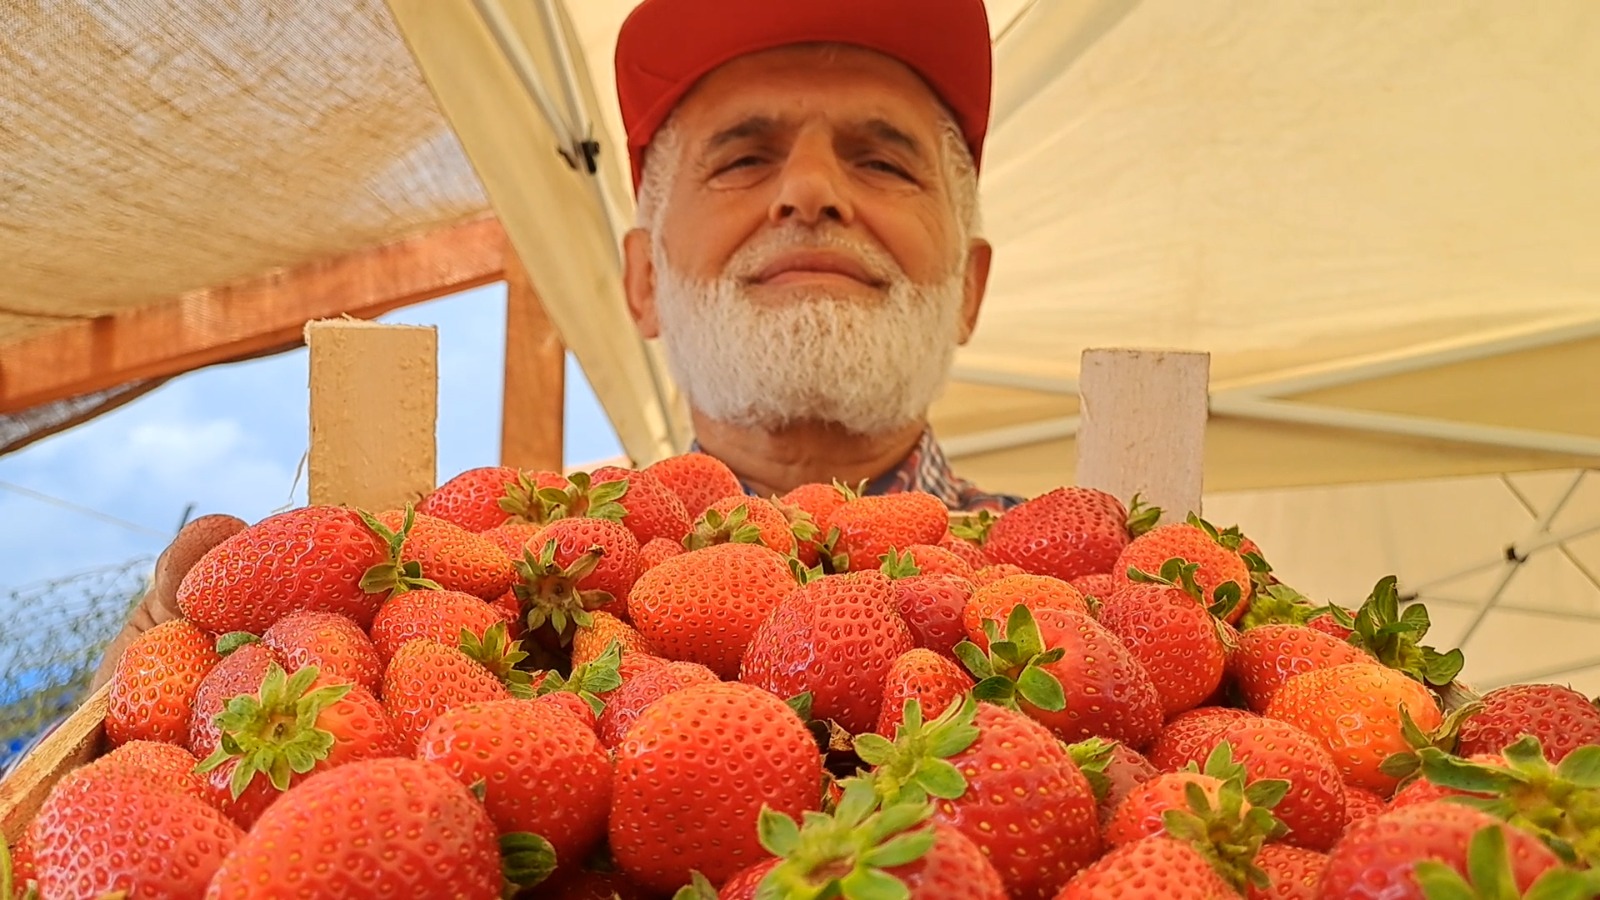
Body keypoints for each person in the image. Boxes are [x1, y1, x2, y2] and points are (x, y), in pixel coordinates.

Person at [81, 0, 1015, 696]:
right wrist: (152, 707)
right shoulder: (512, 583)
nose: (810, 190)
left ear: (969, 287)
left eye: (882, 160)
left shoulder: (1100, 602)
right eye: (743, 157)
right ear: (643, 281)